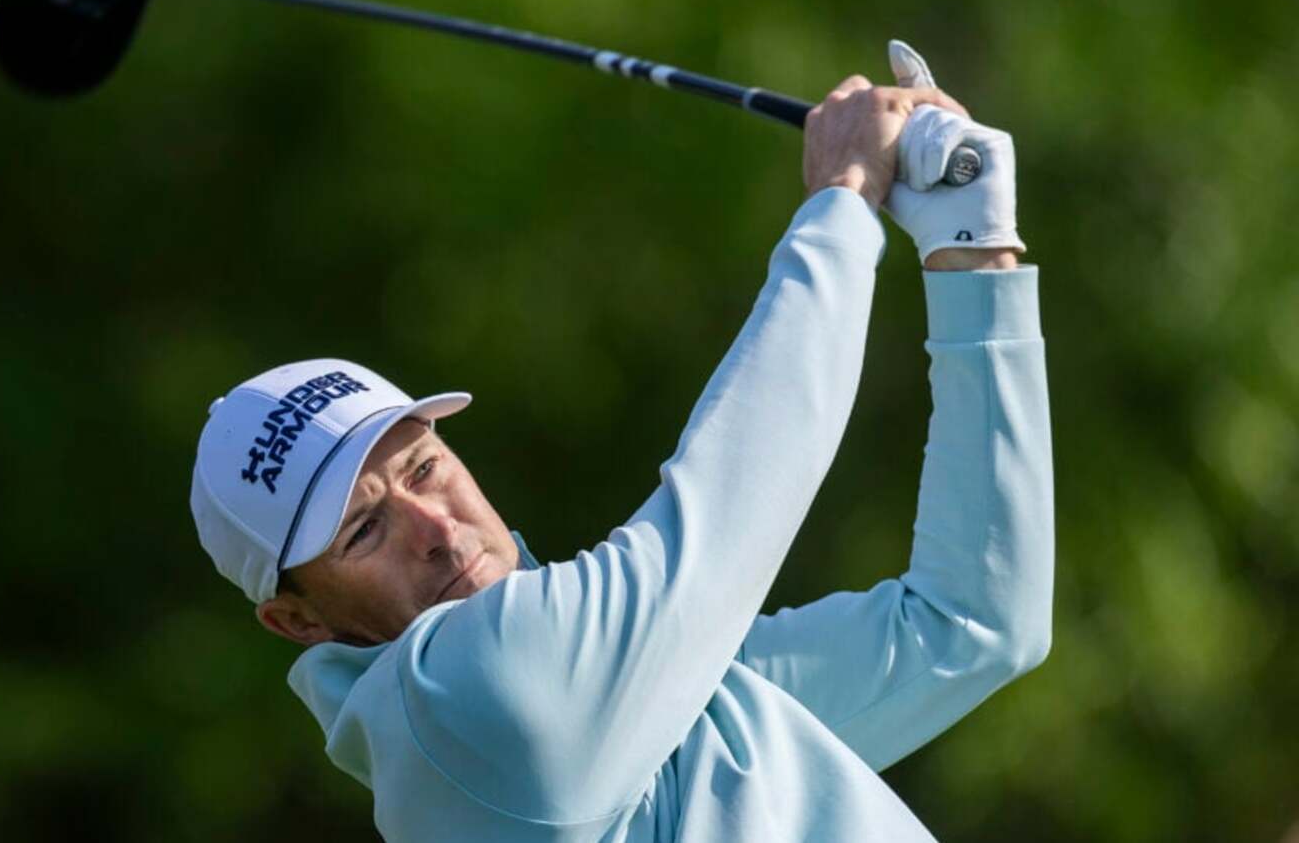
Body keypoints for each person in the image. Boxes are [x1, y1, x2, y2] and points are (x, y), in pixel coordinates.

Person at [189, 42, 1053, 842]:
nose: (438, 529)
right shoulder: (463, 705)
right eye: (363, 532)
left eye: (424, 468)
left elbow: (972, 624)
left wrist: (972, 251)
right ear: (298, 621)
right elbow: (735, 501)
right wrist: (846, 195)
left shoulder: (639, 689)